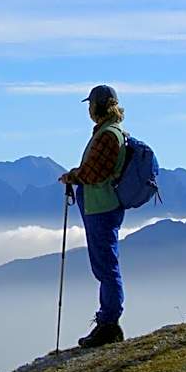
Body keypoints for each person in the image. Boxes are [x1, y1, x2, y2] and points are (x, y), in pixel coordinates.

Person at [59, 84, 128, 348]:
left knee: (106, 266)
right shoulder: (111, 132)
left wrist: (73, 176)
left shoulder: (107, 135)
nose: (89, 109)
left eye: (91, 104)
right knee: (105, 265)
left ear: (99, 105)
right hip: (102, 206)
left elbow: (94, 173)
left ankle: (109, 323)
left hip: (101, 207)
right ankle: (107, 321)